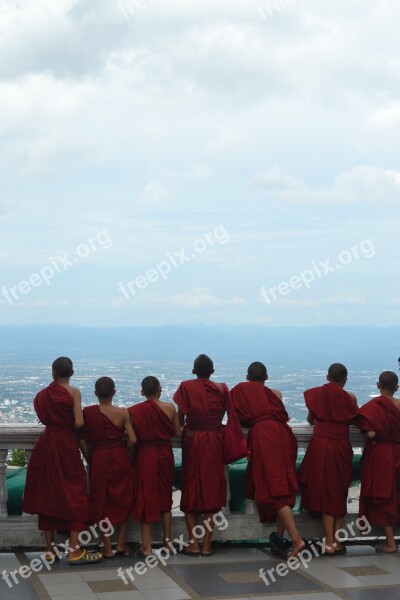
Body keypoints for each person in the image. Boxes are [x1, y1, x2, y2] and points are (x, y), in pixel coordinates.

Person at [23, 357, 102, 564]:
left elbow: (45, 417)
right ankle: (74, 550)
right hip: (66, 444)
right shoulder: (73, 392)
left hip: (46, 444)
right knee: (75, 491)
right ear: (72, 373)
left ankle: (50, 549)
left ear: (53, 373)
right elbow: (78, 421)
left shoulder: (42, 395)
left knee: (46, 493)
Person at [231, 361, 304, 559]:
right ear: (267, 378)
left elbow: (236, 417)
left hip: (264, 436)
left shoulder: (240, 390)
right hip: (284, 435)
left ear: (248, 377)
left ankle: (297, 540)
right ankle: (279, 538)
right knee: (283, 487)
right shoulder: (274, 393)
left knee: (275, 489)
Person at [298, 363, 358, 554]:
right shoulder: (350, 397)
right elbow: (354, 418)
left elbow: (310, 420)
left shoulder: (317, 394)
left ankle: (329, 541)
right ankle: (336, 541)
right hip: (340, 446)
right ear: (345, 379)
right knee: (340, 491)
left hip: (321, 446)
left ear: (327, 377)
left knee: (325, 492)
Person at [173, 354, 228, 557]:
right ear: (212, 372)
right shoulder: (222, 389)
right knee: (212, 489)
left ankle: (193, 543)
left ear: (193, 371)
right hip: (214, 440)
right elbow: (220, 416)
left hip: (193, 441)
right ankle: (207, 545)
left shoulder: (186, 387)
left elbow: (180, 419)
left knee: (191, 488)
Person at [79, 377, 137, 558]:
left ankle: (107, 546)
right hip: (119, 457)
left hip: (99, 458)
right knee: (123, 498)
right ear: (114, 392)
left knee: (101, 501)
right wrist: (122, 450)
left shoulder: (88, 413)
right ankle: (120, 543)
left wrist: (91, 457)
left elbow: (81, 440)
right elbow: (133, 440)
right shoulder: (123, 413)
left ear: (96, 393)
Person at [128, 376, 180, 556]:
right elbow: (178, 432)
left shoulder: (134, 411)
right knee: (166, 498)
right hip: (165, 454)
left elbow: (131, 437)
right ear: (160, 389)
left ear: (142, 392)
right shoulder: (170, 408)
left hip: (144, 455)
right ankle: (167, 543)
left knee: (145, 498)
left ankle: (147, 546)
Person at [357, 371, 400, 553]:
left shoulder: (373, 406)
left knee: (385, 496)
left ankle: (390, 543)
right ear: (396, 387)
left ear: (378, 385)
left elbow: (372, 434)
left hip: (382, 454)